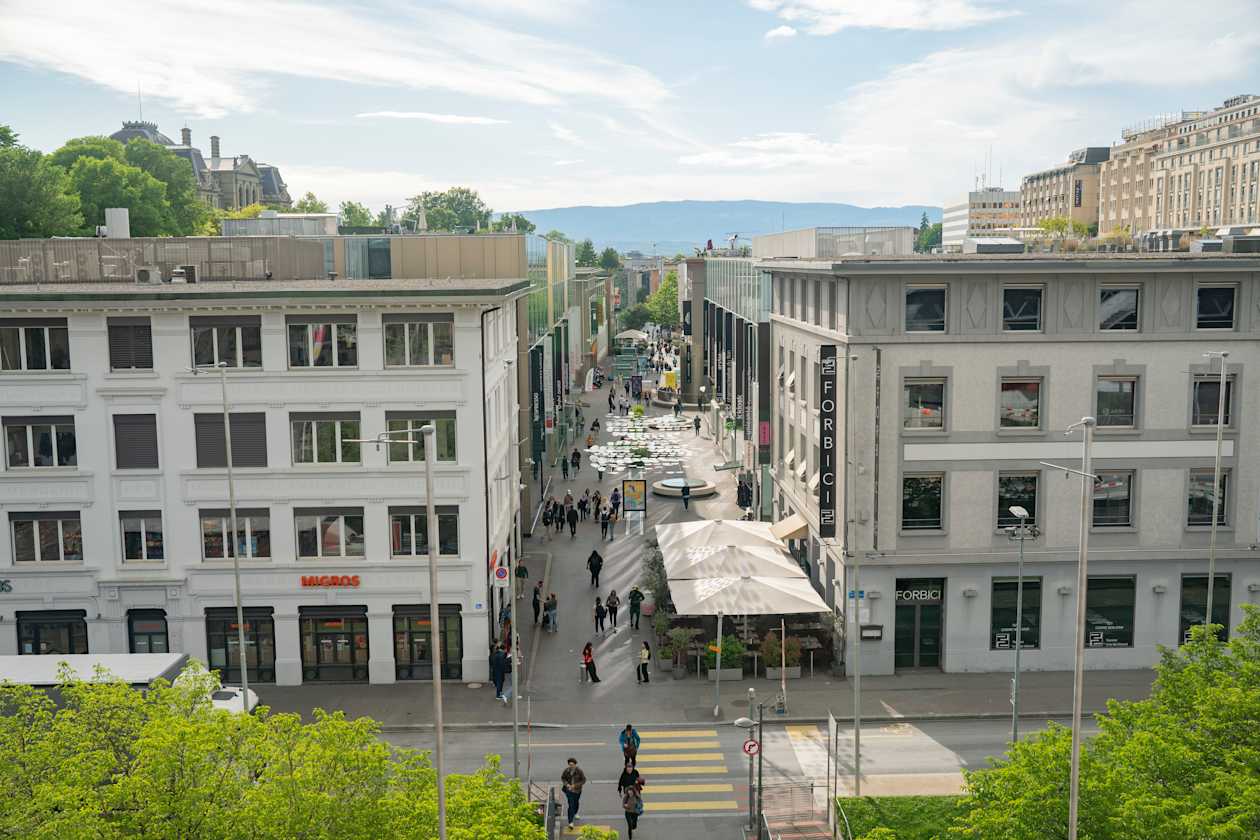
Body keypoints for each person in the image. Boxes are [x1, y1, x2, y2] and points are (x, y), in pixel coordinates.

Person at [561, 758, 586, 829]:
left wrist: (575, 785)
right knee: (571, 805)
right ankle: (570, 822)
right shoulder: (566, 771)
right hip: (568, 791)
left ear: (575, 764)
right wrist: (567, 784)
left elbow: (583, 780)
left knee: (576, 803)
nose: (571, 766)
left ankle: (575, 812)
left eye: (572, 765)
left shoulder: (579, 771)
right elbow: (563, 778)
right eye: (569, 765)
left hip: (577, 790)